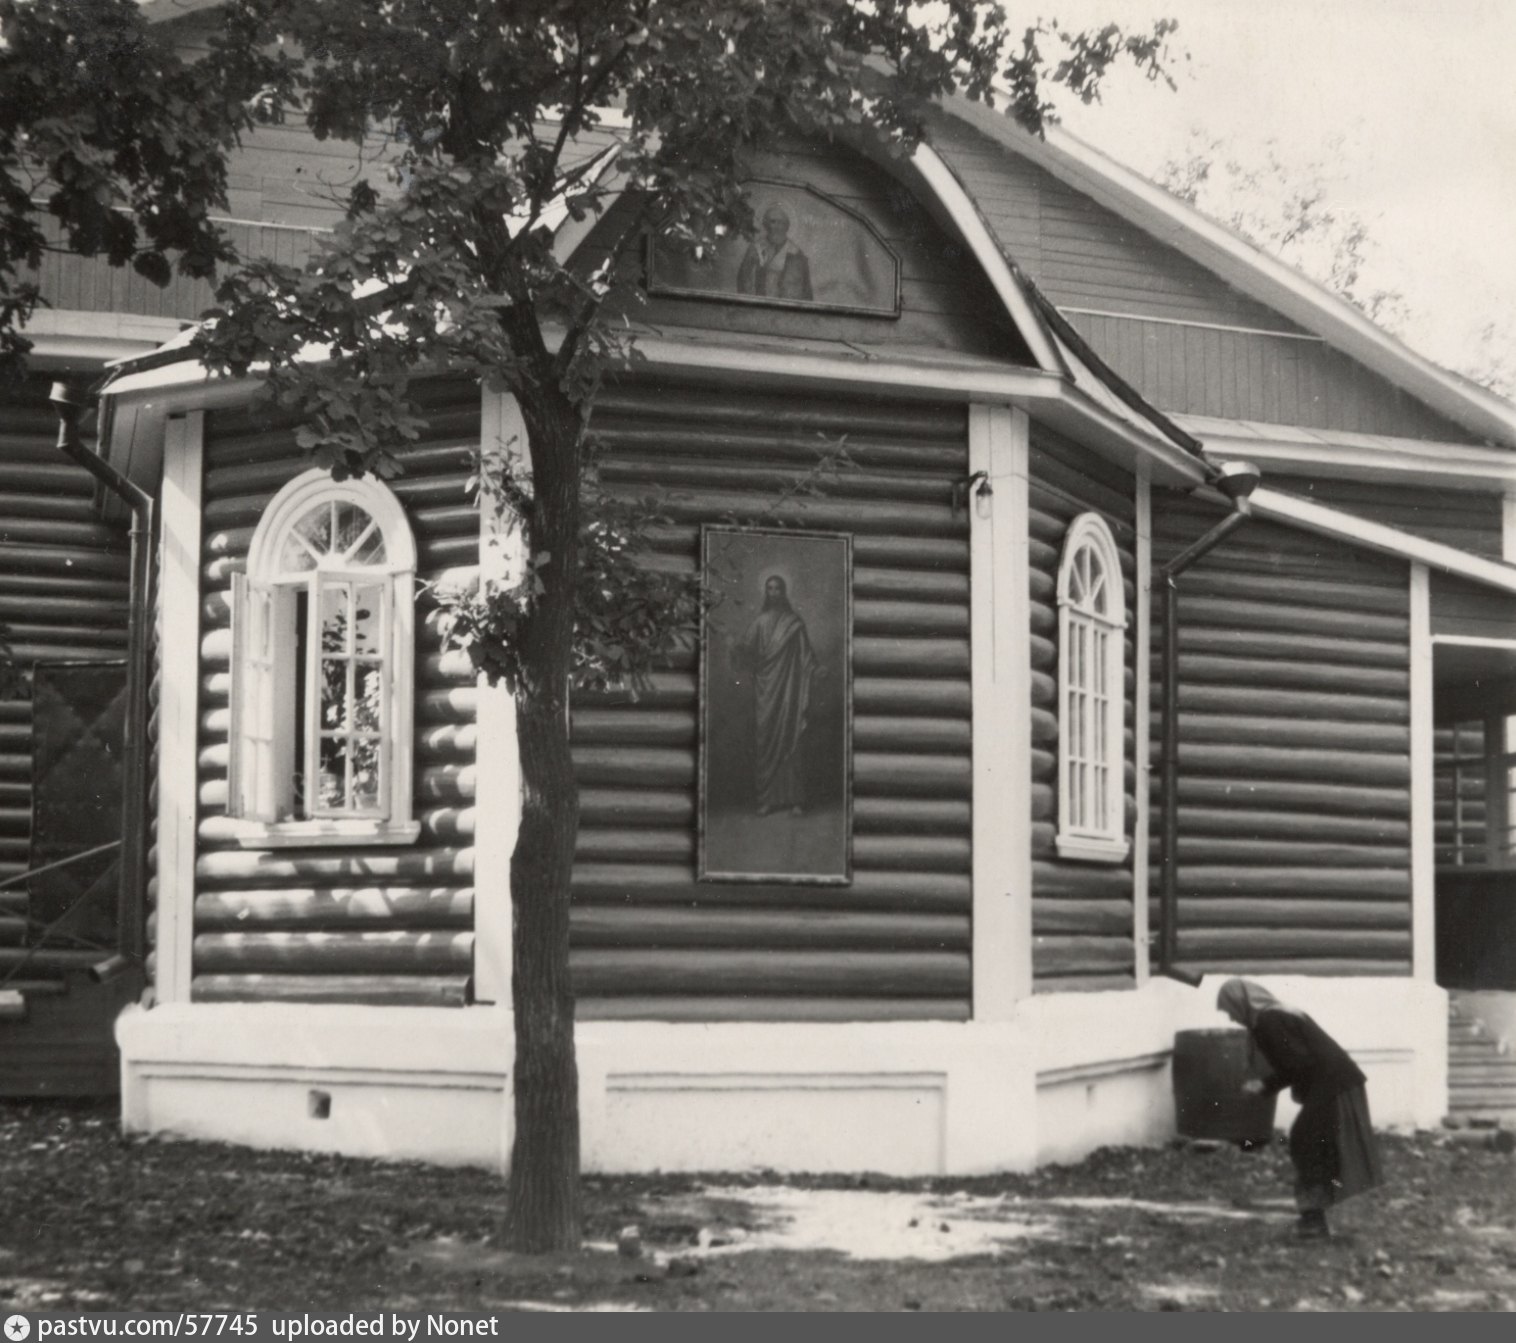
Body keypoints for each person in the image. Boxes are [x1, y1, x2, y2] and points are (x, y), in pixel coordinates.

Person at [1216, 978, 1383, 1240]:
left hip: (1332, 1085)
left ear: (1241, 1002)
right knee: (1313, 1143)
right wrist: (1267, 1085)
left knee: (1307, 1142)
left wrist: (1266, 1084)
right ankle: (1317, 1214)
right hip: (1336, 1082)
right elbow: (1298, 1063)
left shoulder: (1269, 1022)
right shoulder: (1277, 1014)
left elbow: (1299, 1065)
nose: (1231, 1017)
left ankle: (1314, 1220)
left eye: (1229, 1009)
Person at [731, 574, 818, 816]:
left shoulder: (794, 623)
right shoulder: (759, 623)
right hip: (766, 691)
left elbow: (806, 657)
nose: (774, 592)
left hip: (790, 690)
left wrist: (815, 670)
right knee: (766, 739)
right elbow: (747, 652)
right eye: (770, 588)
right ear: (766, 593)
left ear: (784, 591)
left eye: (777, 588)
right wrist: (736, 651)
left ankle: (795, 799)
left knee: (792, 738)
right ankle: (767, 799)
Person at [736, 202, 814, 301]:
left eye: (781, 222)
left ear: (787, 226)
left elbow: (805, 290)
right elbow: (743, 281)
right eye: (773, 221)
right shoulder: (755, 249)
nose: (777, 226)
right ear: (766, 224)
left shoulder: (796, 254)